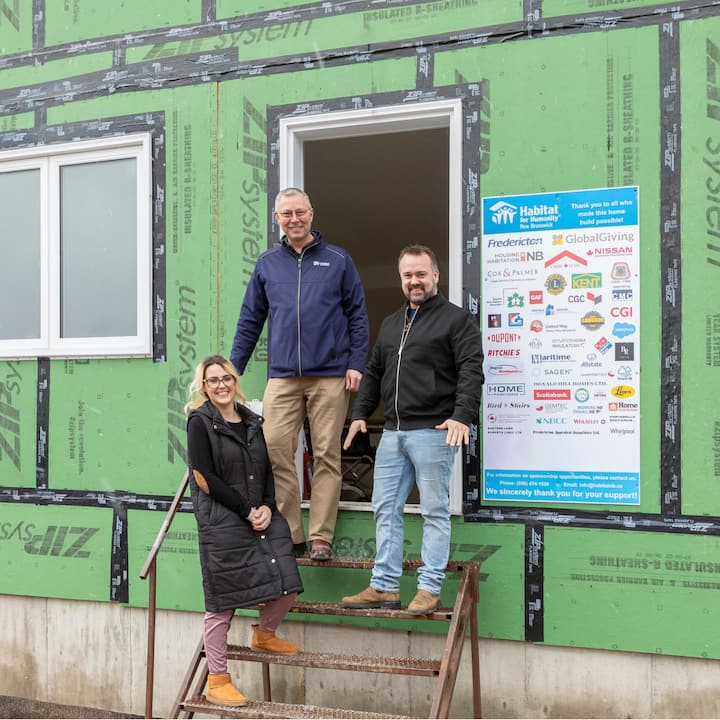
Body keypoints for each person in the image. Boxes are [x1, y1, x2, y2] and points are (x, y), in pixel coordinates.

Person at [340, 245, 484, 615]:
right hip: (392, 433)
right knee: (384, 509)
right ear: (400, 279)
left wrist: (461, 416)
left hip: (434, 431)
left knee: (434, 512)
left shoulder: (456, 320)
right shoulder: (391, 323)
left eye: (421, 274)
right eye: (408, 275)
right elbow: (373, 372)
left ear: (436, 275)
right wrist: (360, 413)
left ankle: (430, 589)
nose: (414, 281)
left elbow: (471, 369)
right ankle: (385, 586)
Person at [230, 188, 369, 561]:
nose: (294, 219)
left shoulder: (338, 260)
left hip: (330, 376)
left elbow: (357, 315)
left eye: (300, 212)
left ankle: (321, 536)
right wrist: (232, 373)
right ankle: (292, 534)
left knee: (326, 454)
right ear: (277, 218)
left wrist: (356, 363)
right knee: (274, 448)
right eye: (286, 214)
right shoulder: (267, 264)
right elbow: (250, 320)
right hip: (283, 376)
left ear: (312, 214)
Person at [185, 354, 304, 707]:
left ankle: (264, 634)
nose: (221, 385)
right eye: (213, 380)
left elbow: (266, 469)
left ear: (235, 381)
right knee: (222, 604)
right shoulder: (200, 422)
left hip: (260, 514)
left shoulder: (252, 420)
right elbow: (204, 477)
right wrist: (245, 510)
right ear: (203, 387)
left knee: (287, 579)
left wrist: (267, 505)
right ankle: (218, 681)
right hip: (223, 520)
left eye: (226, 378)